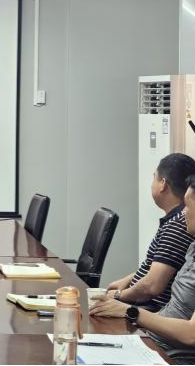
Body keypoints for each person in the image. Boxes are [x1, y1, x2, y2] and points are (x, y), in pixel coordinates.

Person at [90, 174, 195, 360]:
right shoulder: (192, 246)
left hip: (168, 355)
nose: (183, 212)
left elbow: (191, 334)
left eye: (187, 205)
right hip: (150, 340)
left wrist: (129, 311)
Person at [103, 154, 195, 311]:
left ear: (163, 184)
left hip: (151, 309)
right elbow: (154, 266)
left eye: (154, 178)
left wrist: (118, 295)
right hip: (143, 305)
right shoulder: (176, 219)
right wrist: (128, 279)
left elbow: (152, 286)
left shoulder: (178, 224)